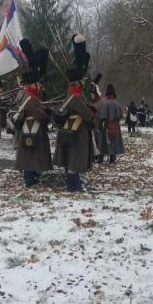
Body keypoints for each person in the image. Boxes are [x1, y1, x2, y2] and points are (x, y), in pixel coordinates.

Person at [53, 34, 97, 192]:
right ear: (77, 81)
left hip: (74, 130)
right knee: (74, 159)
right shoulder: (75, 96)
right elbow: (88, 115)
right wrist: (92, 112)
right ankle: (73, 185)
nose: (84, 82)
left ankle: (74, 182)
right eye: (82, 80)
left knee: (73, 159)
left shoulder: (74, 93)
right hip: (76, 131)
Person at [14, 39, 52, 187]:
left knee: (33, 155)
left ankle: (33, 176)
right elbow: (40, 115)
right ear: (33, 84)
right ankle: (30, 179)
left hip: (32, 129)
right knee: (29, 156)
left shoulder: (32, 96)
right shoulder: (30, 97)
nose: (40, 85)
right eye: (38, 83)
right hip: (30, 129)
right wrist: (47, 115)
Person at [97, 84, 125, 164]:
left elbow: (101, 117)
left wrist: (99, 127)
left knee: (103, 143)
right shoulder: (117, 104)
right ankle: (112, 158)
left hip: (105, 126)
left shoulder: (104, 104)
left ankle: (100, 159)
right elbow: (120, 116)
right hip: (115, 126)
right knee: (113, 142)